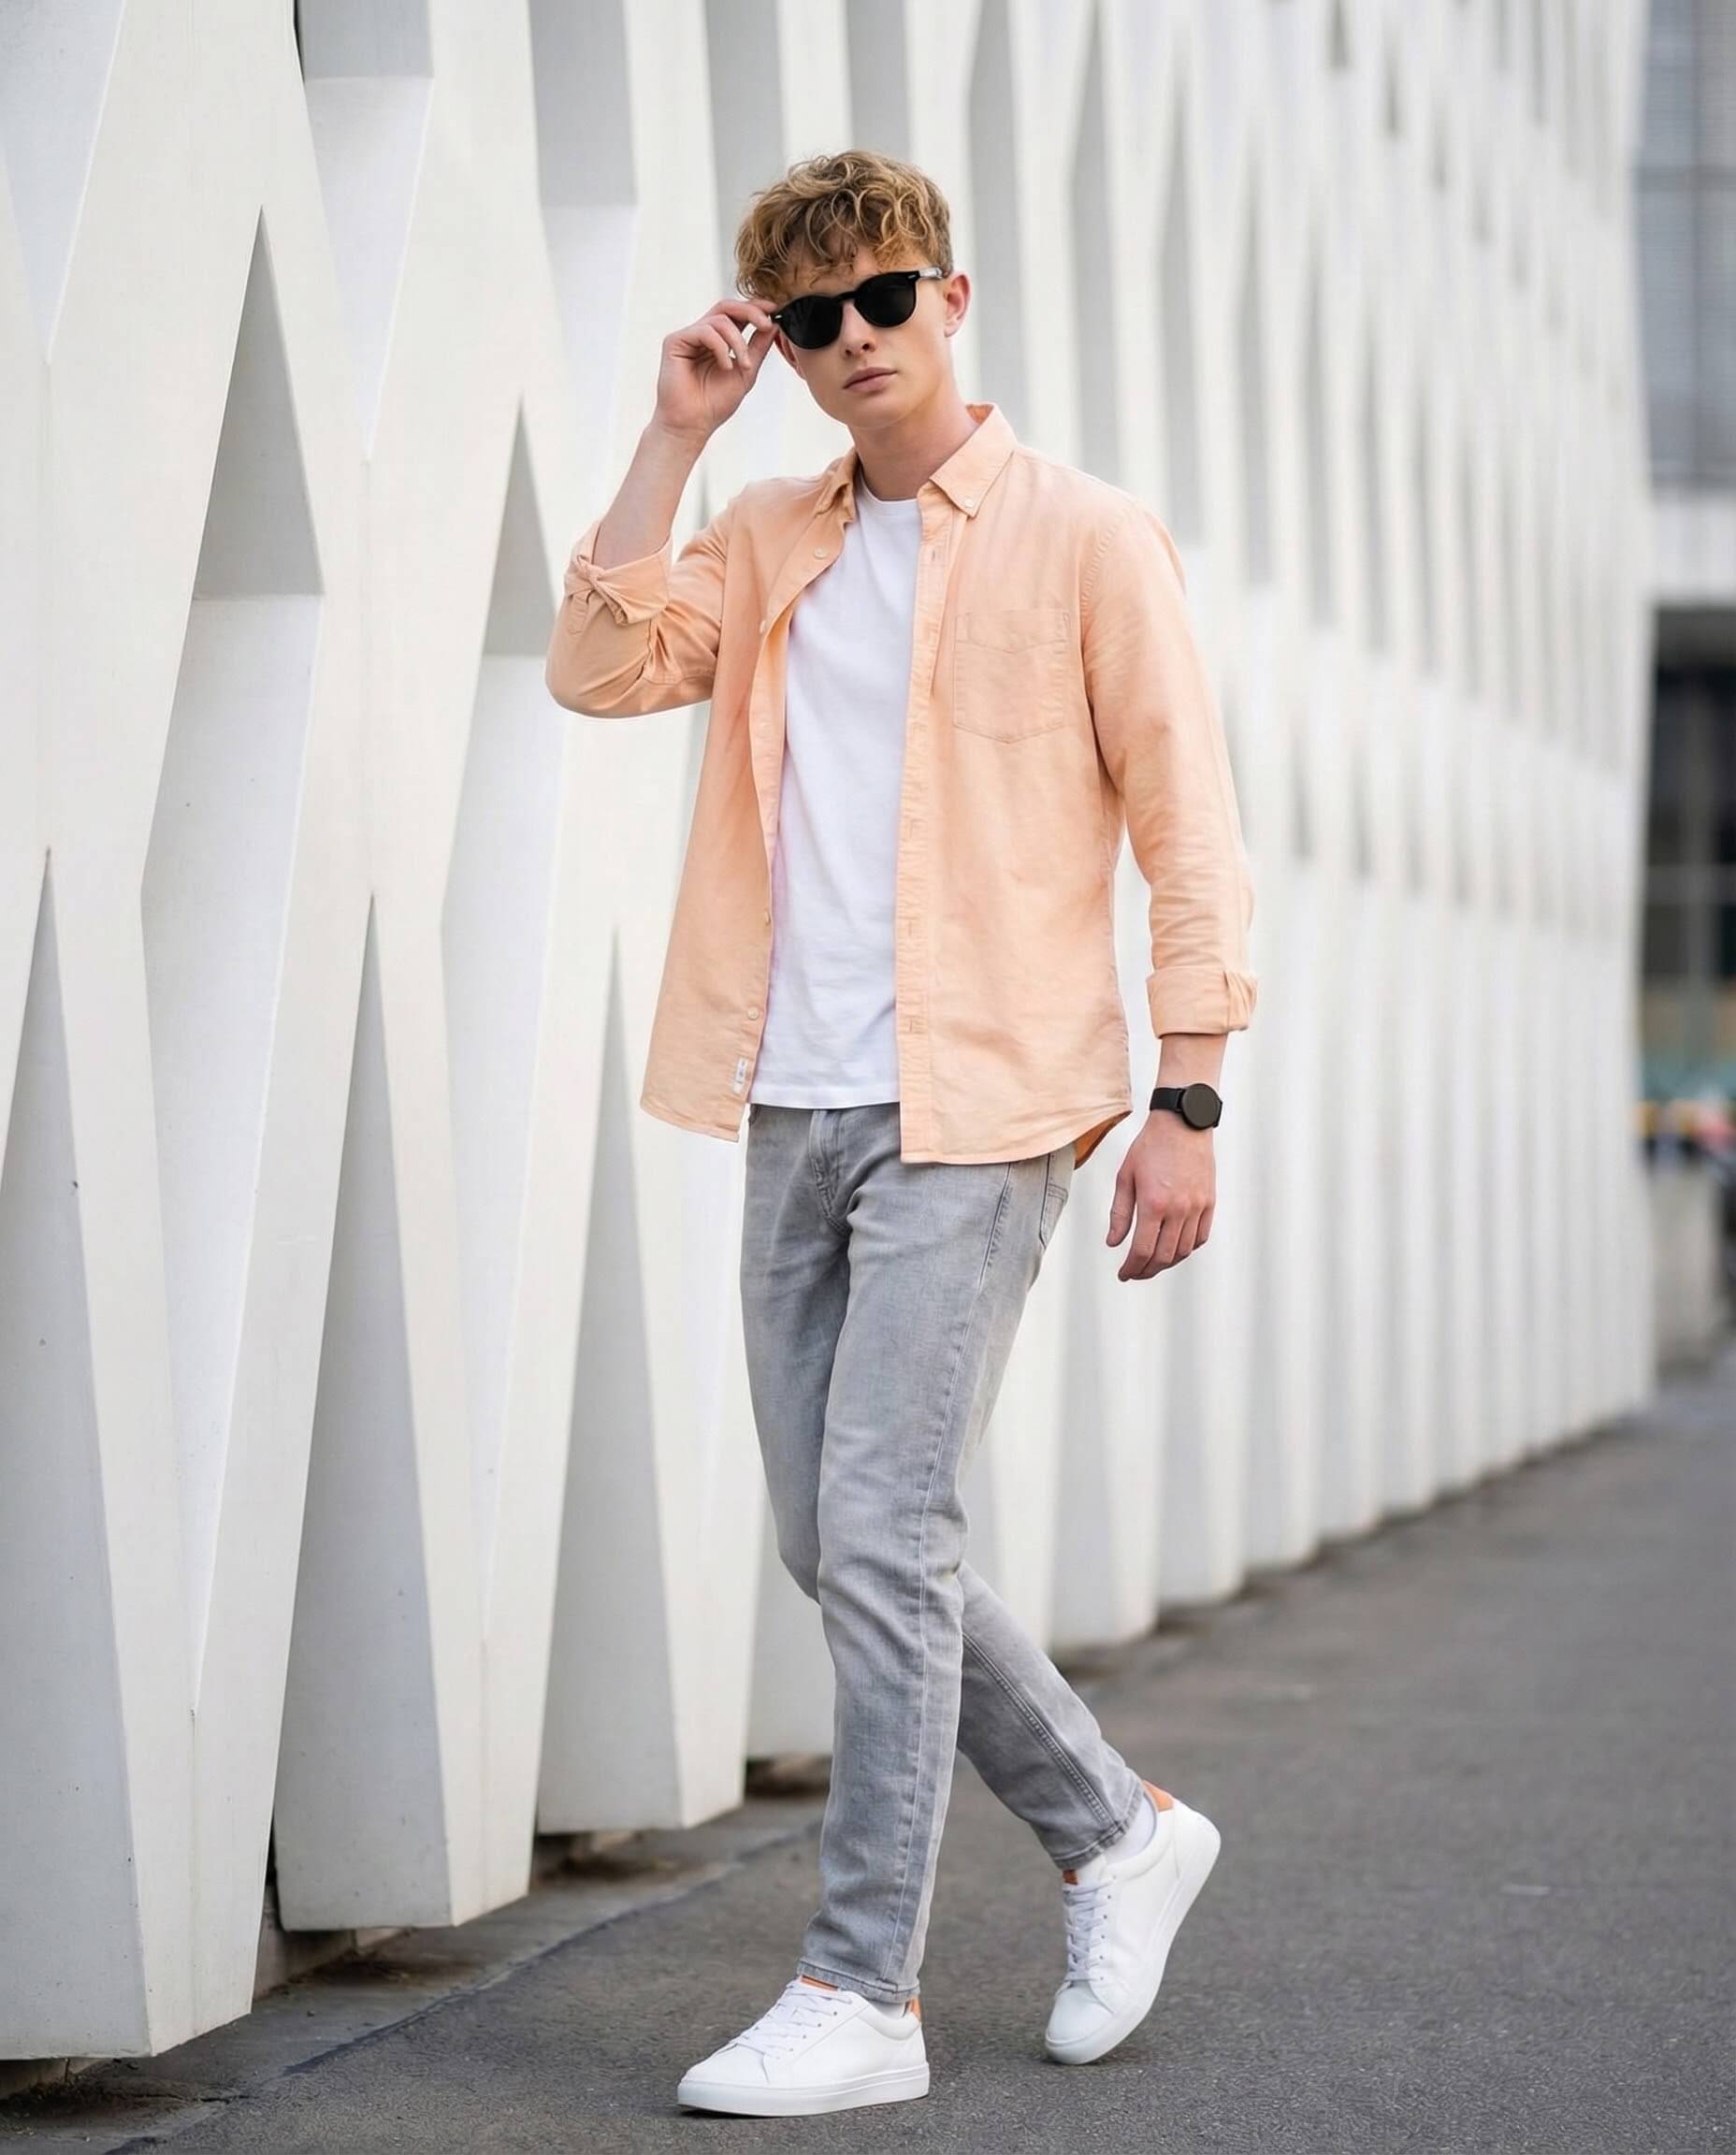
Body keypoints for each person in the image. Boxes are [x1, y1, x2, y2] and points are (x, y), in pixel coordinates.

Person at [545, 150, 1256, 2118]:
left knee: (878, 1531)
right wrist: (674, 435)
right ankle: (1115, 1830)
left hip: (986, 1101)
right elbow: (596, 666)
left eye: (881, 298)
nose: (851, 339)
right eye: (809, 318)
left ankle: (862, 1990)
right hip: (791, 1093)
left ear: (950, 298)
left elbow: (1189, 828)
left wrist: (1189, 1095)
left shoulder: (1086, 537)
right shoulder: (766, 533)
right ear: (778, 344)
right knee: (841, 1539)